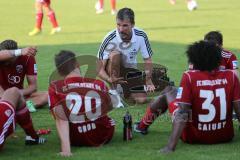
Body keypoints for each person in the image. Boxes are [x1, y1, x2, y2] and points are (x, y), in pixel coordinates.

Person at [135, 41, 240, 152]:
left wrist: (170, 147)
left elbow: (182, 112)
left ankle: (142, 126)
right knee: (173, 91)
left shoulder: (189, 76)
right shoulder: (231, 76)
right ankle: (141, 126)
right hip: (225, 136)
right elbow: (238, 108)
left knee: (168, 91)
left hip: (193, 136)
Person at [48, 50, 115, 157]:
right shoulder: (99, 83)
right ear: (77, 65)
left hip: (75, 138)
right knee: (109, 119)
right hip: (103, 135)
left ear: (59, 71)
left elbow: (60, 117)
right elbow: (109, 106)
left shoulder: (56, 87)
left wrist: (66, 151)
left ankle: (66, 148)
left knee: (59, 112)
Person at [97, 8, 155, 106]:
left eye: (125, 26)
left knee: (141, 100)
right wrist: (108, 79)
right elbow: (98, 68)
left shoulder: (141, 35)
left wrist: (148, 80)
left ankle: (123, 92)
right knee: (115, 55)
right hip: (112, 71)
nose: (121, 29)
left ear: (132, 25)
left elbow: (147, 59)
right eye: (118, 25)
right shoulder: (110, 38)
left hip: (130, 72)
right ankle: (113, 92)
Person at [0, 40, 48, 112]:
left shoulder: (27, 58)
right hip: (1, 95)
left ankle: (10, 107)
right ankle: (18, 107)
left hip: (19, 95)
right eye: (5, 60)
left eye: (10, 60)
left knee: (48, 95)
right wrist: (7, 96)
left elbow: (33, 87)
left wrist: (15, 94)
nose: (7, 63)